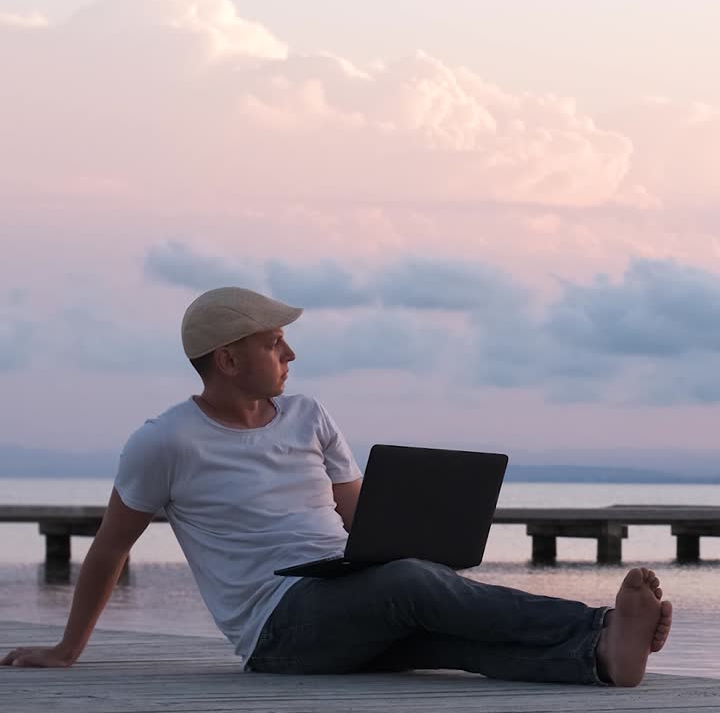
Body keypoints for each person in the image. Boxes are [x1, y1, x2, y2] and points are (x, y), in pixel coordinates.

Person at [2, 287, 672, 684]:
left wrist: (420, 542)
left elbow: (362, 516)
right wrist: (67, 649)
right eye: (273, 344)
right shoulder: (165, 440)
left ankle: (602, 661)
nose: (289, 355)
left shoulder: (308, 414)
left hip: (345, 595)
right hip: (277, 630)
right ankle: (604, 625)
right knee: (410, 586)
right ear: (229, 359)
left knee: (445, 639)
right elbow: (111, 546)